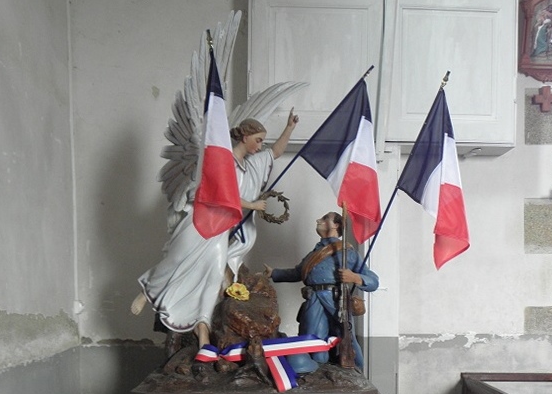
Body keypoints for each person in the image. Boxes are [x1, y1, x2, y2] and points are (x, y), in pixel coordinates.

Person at [131, 110, 299, 351]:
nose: (261, 146)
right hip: (202, 220)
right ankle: (147, 293)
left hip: (222, 229)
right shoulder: (223, 159)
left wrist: (289, 128)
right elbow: (219, 194)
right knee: (177, 260)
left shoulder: (249, 164)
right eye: (259, 140)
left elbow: (276, 153)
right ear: (245, 137)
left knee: (213, 275)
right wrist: (251, 205)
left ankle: (203, 330)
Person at [263, 211, 379, 370]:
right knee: (312, 339)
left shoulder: (347, 252)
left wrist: (354, 277)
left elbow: (373, 281)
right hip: (314, 299)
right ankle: (317, 369)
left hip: (336, 301)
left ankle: (357, 369)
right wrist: (274, 273)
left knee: (347, 338)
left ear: (336, 225)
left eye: (325, 219)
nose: (319, 220)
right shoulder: (315, 253)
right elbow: (299, 272)